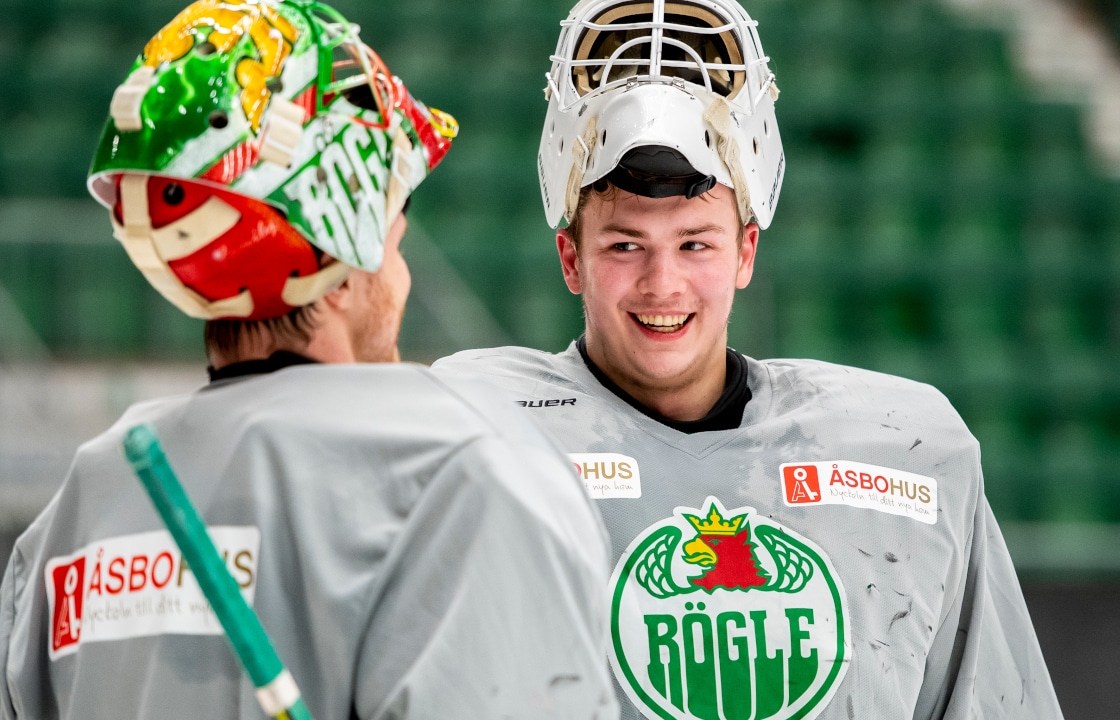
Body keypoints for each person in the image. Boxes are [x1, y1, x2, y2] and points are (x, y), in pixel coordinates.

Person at [433, 0, 1064, 718]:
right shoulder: (471, 430)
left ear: (746, 252)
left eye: (695, 243)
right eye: (625, 244)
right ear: (570, 258)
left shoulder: (911, 447)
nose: (661, 283)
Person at [0, 1, 617, 718]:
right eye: (394, 236)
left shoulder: (81, 510)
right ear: (340, 236)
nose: (402, 274)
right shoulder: (457, 475)